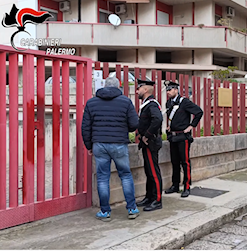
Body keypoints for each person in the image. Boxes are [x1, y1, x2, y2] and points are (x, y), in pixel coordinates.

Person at [81, 76, 140, 222]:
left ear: (104, 86)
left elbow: (85, 127)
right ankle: (132, 208)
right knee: (125, 175)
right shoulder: (125, 101)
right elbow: (134, 124)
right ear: (118, 86)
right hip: (119, 143)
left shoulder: (91, 102)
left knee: (102, 178)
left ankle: (105, 211)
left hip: (99, 144)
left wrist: (89, 145)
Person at [163, 80, 203, 198]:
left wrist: (191, 126)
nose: (168, 92)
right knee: (174, 162)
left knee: (185, 162)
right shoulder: (168, 103)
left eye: (170, 90)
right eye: (167, 90)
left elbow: (199, 112)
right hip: (173, 137)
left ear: (176, 90)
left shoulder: (184, 102)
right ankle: (175, 185)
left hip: (182, 137)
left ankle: (186, 186)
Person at [135, 79, 164, 211]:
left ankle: (157, 200)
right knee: (148, 171)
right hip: (147, 143)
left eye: (139, 88)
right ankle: (149, 197)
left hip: (150, 142)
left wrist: (146, 135)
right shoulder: (146, 104)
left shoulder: (151, 104)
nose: (137, 91)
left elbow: (157, 119)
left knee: (153, 171)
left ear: (145, 90)